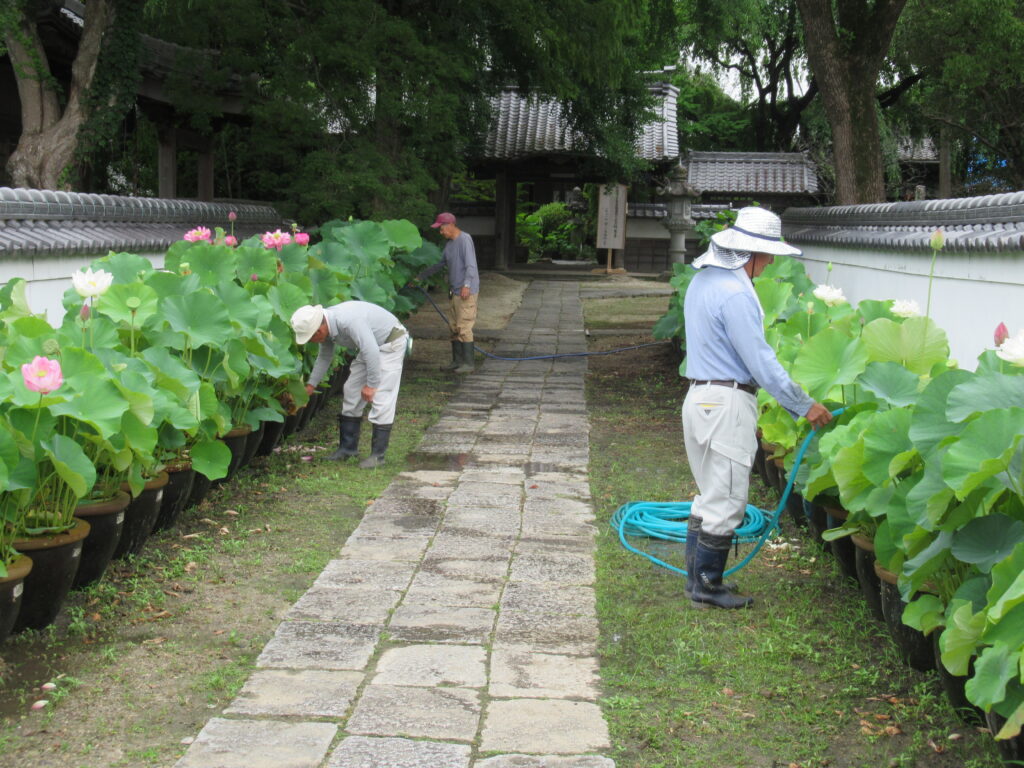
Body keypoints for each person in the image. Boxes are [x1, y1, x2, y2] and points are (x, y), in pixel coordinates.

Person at [682, 206, 832, 609]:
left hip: (698, 397)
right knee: (727, 498)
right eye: (767, 256)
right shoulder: (735, 294)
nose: (768, 265)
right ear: (749, 254)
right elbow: (760, 362)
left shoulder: (703, 280)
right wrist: (804, 405)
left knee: (710, 492)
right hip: (727, 401)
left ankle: (698, 581)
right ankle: (706, 587)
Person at [290, 301, 410, 469]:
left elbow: (371, 351)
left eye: (311, 337)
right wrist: (310, 385)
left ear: (319, 329)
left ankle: (378, 455)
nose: (312, 341)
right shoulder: (327, 325)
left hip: (390, 343)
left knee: (382, 395)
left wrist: (372, 384)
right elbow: (325, 356)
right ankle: (347, 449)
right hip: (371, 346)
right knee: (351, 389)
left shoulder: (348, 321)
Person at [415, 212, 479, 373]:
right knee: (453, 326)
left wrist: (467, 285)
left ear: (450, 225)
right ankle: (457, 361)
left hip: (465, 291)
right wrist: (420, 277)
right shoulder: (449, 244)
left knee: (464, 326)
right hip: (454, 290)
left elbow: (471, 265)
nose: (440, 231)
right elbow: (440, 264)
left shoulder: (465, 240)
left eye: (441, 228)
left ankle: (469, 364)